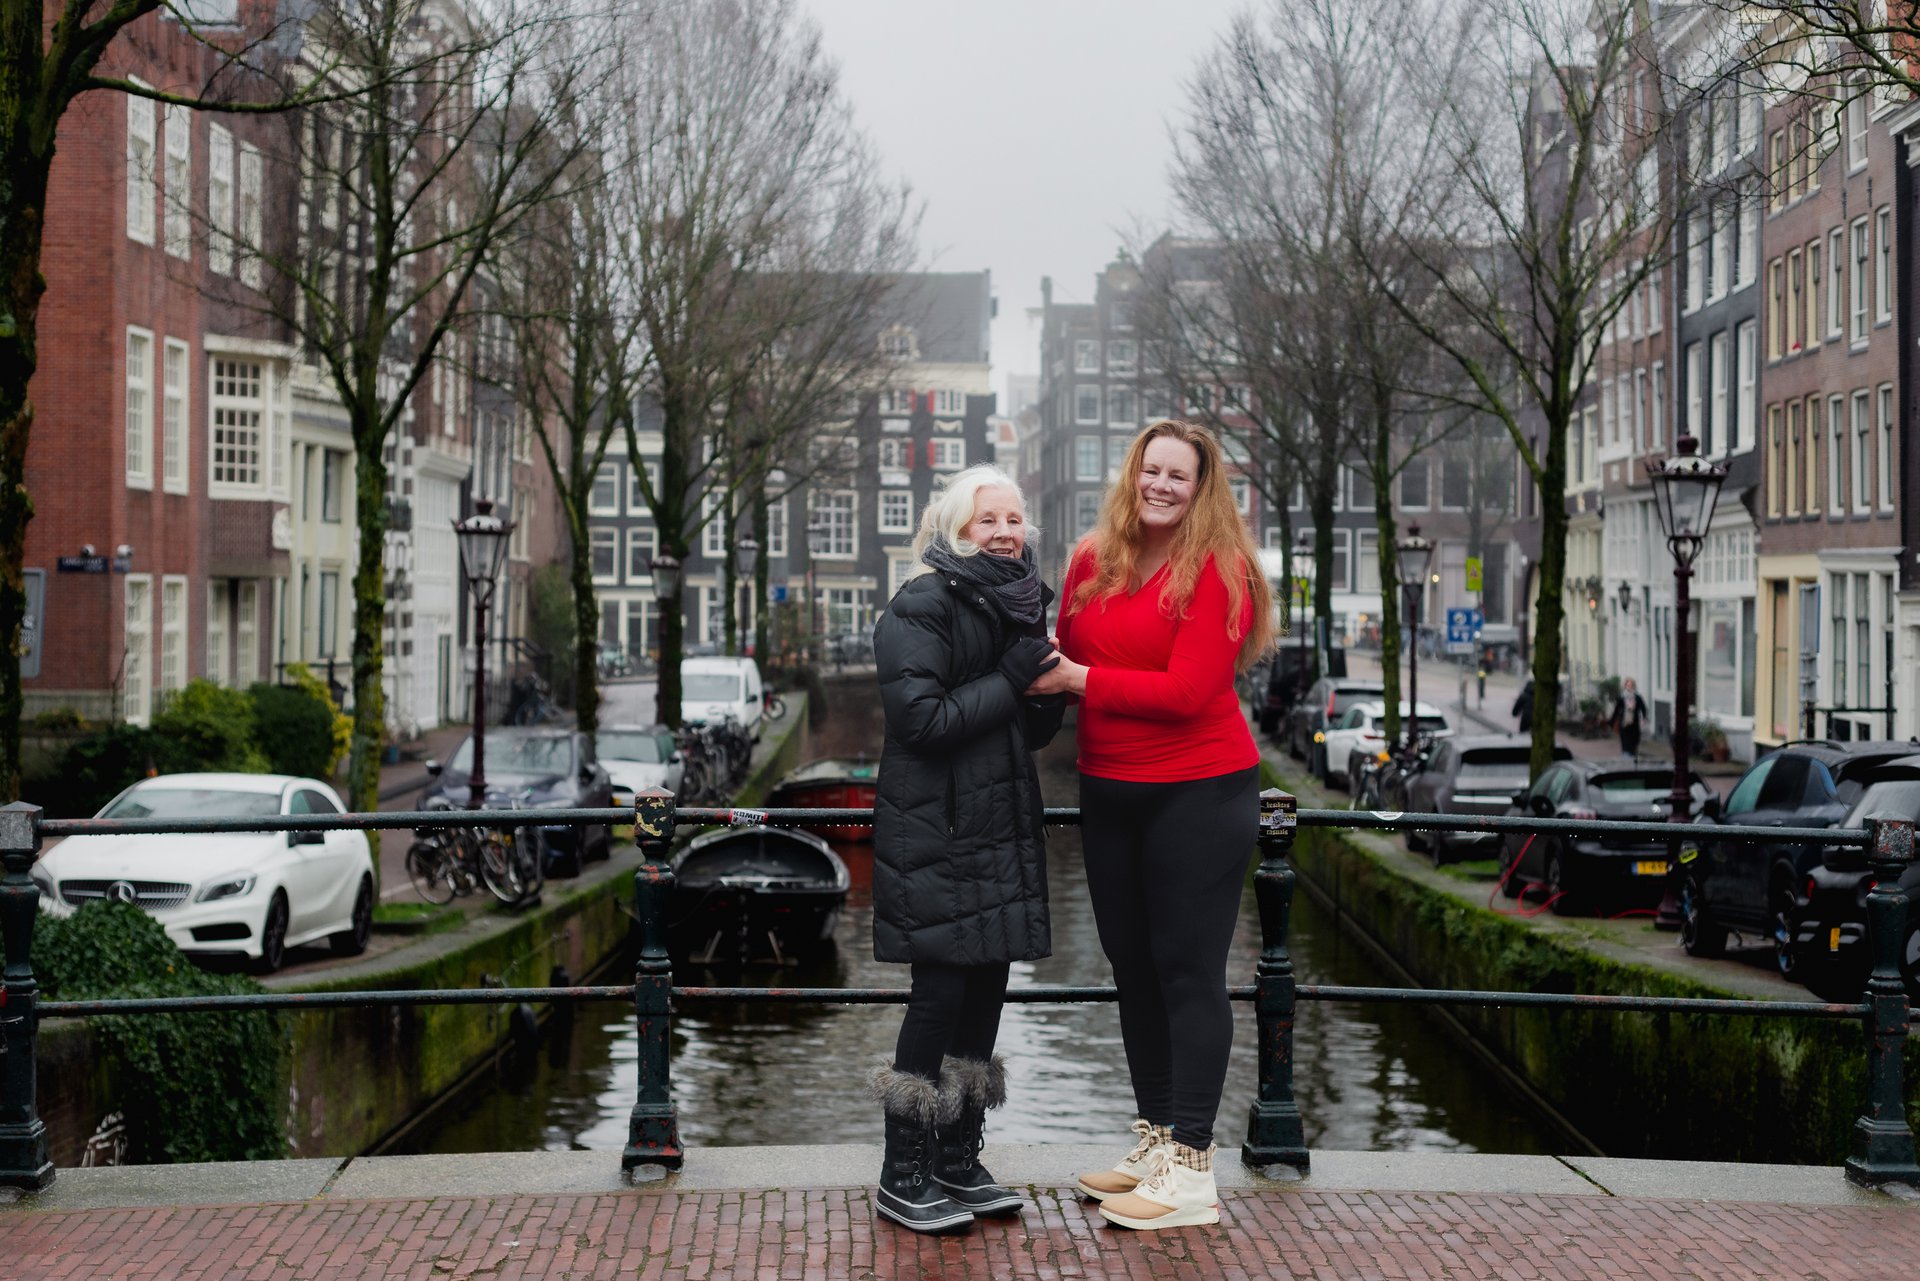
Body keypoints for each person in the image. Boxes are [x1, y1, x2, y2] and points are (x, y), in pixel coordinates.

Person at [1028, 419, 1275, 1231]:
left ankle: (1193, 1171)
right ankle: (1160, 1140)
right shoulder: (1091, 559)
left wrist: (1078, 679)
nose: (1161, 485)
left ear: (1202, 489)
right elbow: (1059, 653)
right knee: (1133, 969)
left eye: (1180, 475)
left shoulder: (1220, 569)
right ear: (1133, 473)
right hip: (1111, 788)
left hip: (1198, 790)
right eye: (1152, 469)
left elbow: (1186, 692)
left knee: (1187, 972)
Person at [867, 464, 1065, 1234]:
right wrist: (1013, 678)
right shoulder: (922, 603)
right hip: (938, 832)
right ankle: (902, 1173)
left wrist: (1042, 693)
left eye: (1015, 520)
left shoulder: (1016, 606)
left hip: (997, 828)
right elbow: (921, 721)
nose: (1006, 533)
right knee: (940, 994)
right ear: (957, 529)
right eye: (990, 520)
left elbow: (1024, 728)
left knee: (986, 990)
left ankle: (955, 1158)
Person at [1611, 677, 1649, 759]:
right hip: (1624, 724)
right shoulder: (1621, 698)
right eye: (1628, 685)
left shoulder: (1637, 697)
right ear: (1625, 686)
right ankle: (1626, 756)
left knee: (1635, 740)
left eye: (1631, 685)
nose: (1629, 687)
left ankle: (1632, 754)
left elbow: (1643, 708)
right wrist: (1612, 721)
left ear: (1634, 686)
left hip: (1634, 724)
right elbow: (1616, 710)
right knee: (1625, 741)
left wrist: (1644, 717)